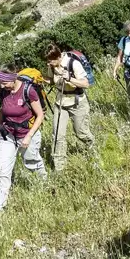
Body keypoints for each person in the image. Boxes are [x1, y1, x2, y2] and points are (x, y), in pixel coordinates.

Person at [0, 64, 47, 226]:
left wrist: (29, 136)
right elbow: (2, 112)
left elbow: (40, 116)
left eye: (3, 82)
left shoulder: (28, 91)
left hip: (27, 134)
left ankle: (45, 185)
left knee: (32, 163)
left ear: (13, 79)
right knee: (1, 170)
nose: (1, 85)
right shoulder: (3, 91)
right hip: (7, 134)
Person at [46, 44, 96, 172]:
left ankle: (92, 147)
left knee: (81, 133)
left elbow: (85, 84)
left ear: (58, 56)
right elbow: (52, 81)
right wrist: (40, 79)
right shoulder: (51, 66)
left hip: (77, 102)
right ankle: (59, 168)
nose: (49, 63)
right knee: (57, 135)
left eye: (51, 60)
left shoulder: (73, 63)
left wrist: (69, 78)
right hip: (60, 103)